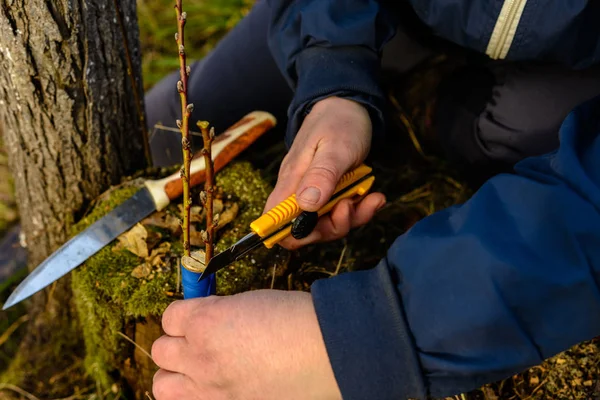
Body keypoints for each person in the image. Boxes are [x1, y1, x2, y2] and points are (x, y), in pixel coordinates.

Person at [145, 1, 600, 399]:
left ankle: (439, 103)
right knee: (165, 123)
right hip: (379, 14)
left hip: (575, 71)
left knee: (505, 127)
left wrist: (360, 336)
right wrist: (332, 79)